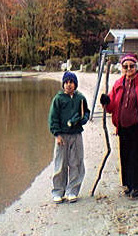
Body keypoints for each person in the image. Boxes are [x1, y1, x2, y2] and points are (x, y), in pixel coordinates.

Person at [99, 53, 138, 199]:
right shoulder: (118, 84)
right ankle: (128, 184)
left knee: (137, 157)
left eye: (131, 66)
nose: (128, 69)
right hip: (123, 127)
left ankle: (137, 186)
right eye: (125, 66)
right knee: (125, 156)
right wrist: (106, 102)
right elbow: (112, 106)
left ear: (136, 66)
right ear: (122, 68)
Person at [48, 71, 89, 204]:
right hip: (63, 136)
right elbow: (53, 118)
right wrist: (57, 134)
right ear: (63, 84)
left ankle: (73, 191)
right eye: (66, 82)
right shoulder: (58, 99)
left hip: (76, 135)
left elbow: (86, 112)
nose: (69, 85)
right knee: (60, 164)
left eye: (71, 82)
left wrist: (83, 120)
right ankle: (58, 191)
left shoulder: (80, 98)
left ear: (75, 84)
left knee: (76, 163)